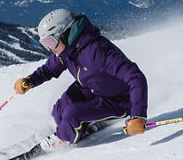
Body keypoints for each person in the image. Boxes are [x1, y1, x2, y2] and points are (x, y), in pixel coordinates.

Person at [15, 8, 148, 143]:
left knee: (72, 115)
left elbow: (136, 77)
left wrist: (138, 115)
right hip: (92, 88)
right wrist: (31, 80)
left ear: (64, 33)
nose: (50, 49)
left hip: (118, 100)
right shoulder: (66, 51)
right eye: (45, 45)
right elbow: (48, 69)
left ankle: (63, 140)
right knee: (59, 111)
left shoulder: (98, 51)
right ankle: (80, 127)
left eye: (50, 42)